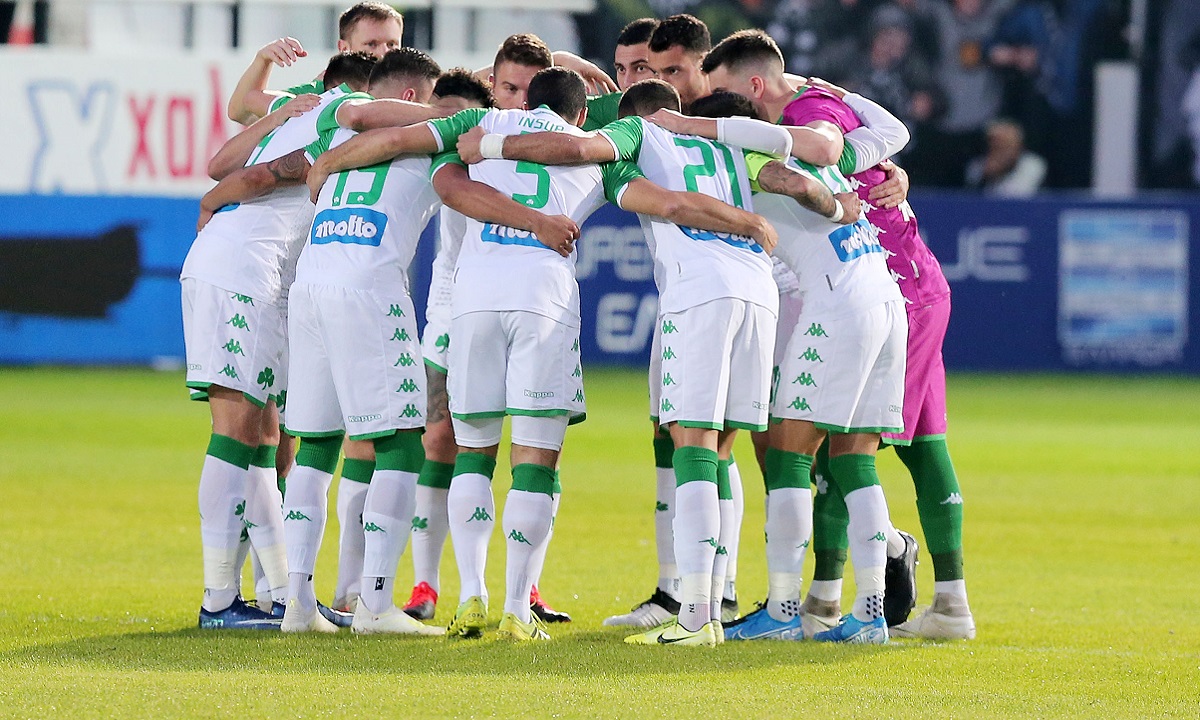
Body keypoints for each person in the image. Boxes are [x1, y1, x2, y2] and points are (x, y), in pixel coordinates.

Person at [313, 67, 779, 641]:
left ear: (525, 100)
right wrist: (746, 222)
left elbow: (434, 172)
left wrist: (326, 163)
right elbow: (671, 203)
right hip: (543, 303)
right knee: (535, 460)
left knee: (472, 453)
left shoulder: (480, 123)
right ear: (581, 114)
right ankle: (516, 607)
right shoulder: (598, 154)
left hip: (474, 301)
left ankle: (472, 596)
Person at [458, 78, 863, 646]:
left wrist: (491, 146)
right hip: (758, 291)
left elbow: (616, 170)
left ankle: (694, 616)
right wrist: (841, 205)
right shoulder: (726, 147)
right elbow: (790, 179)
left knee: (691, 444)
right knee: (721, 451)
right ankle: (716, 603)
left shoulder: (636, 134)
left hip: (700, 292)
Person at [702, 29, 975, 639]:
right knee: (856, 456)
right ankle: (868, 613)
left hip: (841, 304)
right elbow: (889, 133)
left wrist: (829, 203)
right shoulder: (827, 139)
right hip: (888, 296)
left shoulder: (759, 155)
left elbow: (798, 179)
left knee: (790, 450)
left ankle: (785, 610)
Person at [184, 52, 377, 630]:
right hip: (243, 272)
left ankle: (278, 594)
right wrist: (211, 201)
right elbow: (253, 176)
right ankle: (219, 600)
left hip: (254, 276)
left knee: (264, 436)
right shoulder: (343, 116)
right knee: (235, 432)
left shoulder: (300, 113)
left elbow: (223, 158)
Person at [400, 33, 572, 626]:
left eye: (530, 89)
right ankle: (428, 584)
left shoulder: (499, 141)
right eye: (508, 86)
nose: (520, 100)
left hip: (490, 301)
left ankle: (525, 588)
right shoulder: (474, 130)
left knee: (526, 449)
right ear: (490, 85)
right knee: (442, 442)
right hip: (454, 305)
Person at [226, 1, 405, 125]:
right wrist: (262, 60)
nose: (384, 53)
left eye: (392, 44)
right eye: (371, 44)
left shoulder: (412, 86)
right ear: (344, 48)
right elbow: (241, 113)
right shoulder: (323, 90)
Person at [965, 118, 1046, 195]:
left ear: (1018, 145)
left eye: (1005, 143)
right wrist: (986, 177)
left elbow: (1019, 196)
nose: (998, 146)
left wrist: (1002, 170)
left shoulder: (1033, 164)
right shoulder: (978, 165)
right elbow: (971, 197)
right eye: (994, 142)